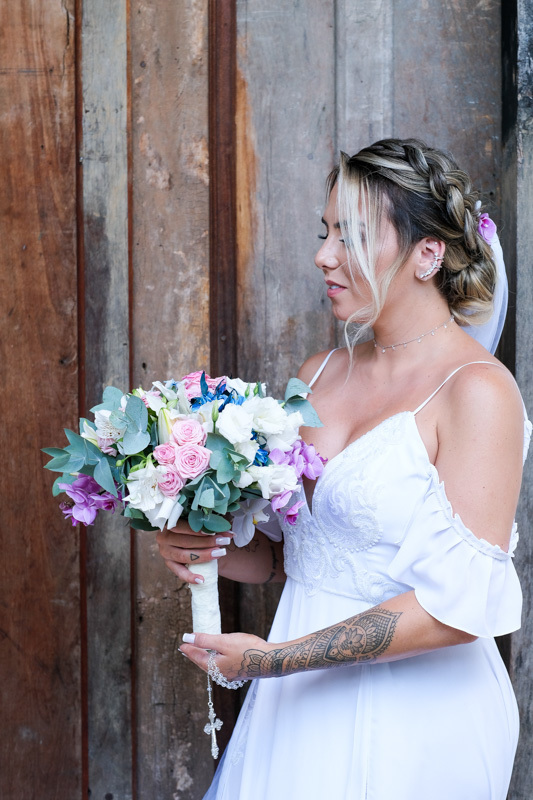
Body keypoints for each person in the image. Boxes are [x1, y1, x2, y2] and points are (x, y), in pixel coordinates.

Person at [157, 138, 531, 799]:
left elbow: (457, 611)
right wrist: (200, 541)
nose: (324, 255)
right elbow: (292, 556)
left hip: (419, 717)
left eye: (351, 236)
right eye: (325, 232)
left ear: (428, 253)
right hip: (295, 705)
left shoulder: (478, 393)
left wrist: (274, 660)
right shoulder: (319, 374)